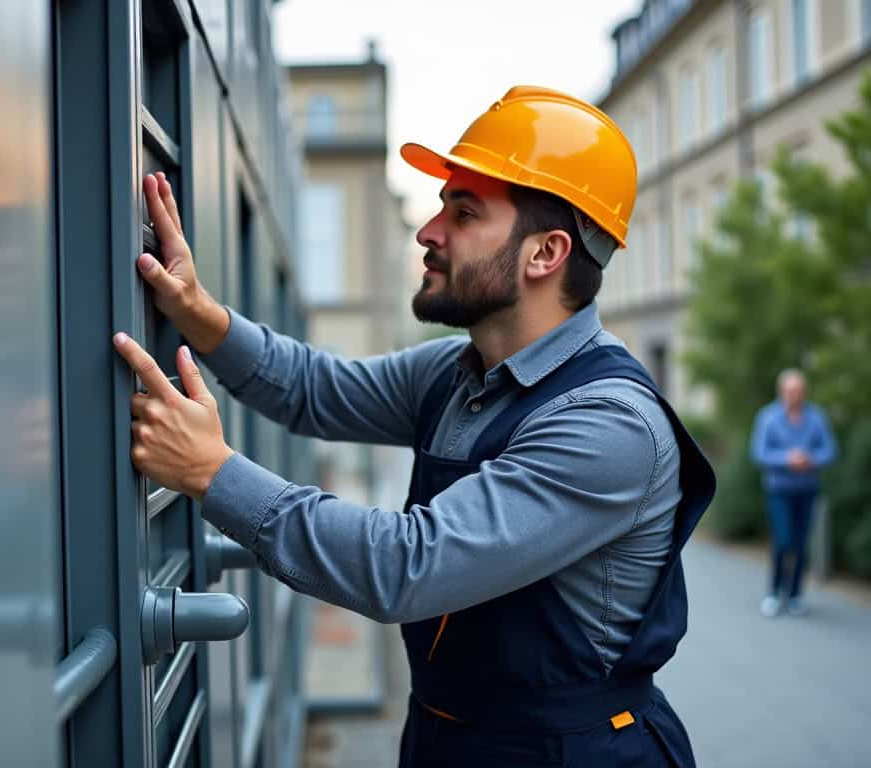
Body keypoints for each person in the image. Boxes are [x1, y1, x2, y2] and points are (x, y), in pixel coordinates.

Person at [112, 86, 715, 767]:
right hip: (448, 737)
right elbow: (313, 390)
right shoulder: (458, 372)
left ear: (545, 254)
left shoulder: (607, 426)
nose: (429, 233)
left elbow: (404, 566)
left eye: (463, 213)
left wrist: (211, 473)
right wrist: (200, 314)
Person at [749, 368, 838, 618]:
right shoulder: (767, 417)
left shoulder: (816, 417)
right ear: (781, 392)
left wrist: (811, 459)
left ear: (804, 393)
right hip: (779, 490)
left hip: (807, 489)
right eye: (789, 391)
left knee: (800, 544)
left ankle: (796, 594)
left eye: (798, 391)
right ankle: (775, 593)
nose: (794, 395)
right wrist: (787, 459)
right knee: (783, 540)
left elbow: (830, 450)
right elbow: (759, 452)